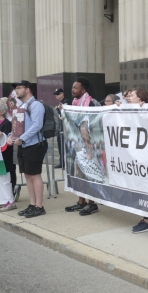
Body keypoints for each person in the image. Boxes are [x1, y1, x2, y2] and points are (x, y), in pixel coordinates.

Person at [7, 80, 48, 218]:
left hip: (34, 145)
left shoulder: (36, 105)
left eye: (19, 88)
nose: (16, 91)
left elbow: (37, 125)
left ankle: (39, 206)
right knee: (27, 175)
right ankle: (32, 204)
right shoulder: (22, 106)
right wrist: (10, 137)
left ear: (28, 89)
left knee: (35, 175)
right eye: (15, 89)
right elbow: (16, 126)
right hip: (23, 145)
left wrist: (22, 138)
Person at [65, 77, 102, 216]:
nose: (72, 89)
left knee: (89, 174)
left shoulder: (92, 103)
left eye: (75, 87)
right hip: (77, 145)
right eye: (72, 87)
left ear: (83, 90)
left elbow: (97, 121)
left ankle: (92, 204)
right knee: (79, 174)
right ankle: (81, 202)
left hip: (89, 145)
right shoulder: (73, 104)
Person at [129, 88, 148, 234]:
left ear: (141, 100)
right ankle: (145, 217)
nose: (129, 97)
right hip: (137, 159)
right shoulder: (131, 111)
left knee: (147, 188)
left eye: (132, 95)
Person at [53, 88, 70, 168]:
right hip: (60, 127)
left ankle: (65, 163)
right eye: (55, 94)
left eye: (58, 94)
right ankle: (61, 161)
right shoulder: (59, 104)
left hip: (65, 127)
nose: (56, 96)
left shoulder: (66, 102)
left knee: (64, 145)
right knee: (60, 145)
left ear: (62, 94)